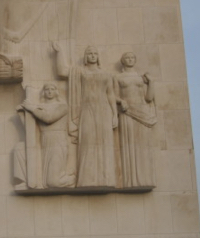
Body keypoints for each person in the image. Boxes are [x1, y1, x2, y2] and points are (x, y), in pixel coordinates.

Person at [54, 44, 118, 187]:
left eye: (95, 53)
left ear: (98, 56)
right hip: (87, 111)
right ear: (85, 57)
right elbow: (62, 71)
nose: (92, 55)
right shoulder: (80, 72)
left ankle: (106, 179)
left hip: (104, 111)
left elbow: (111, 94)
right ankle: (87, 180)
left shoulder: (106, 75)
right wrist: (59, 52)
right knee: (87, 144)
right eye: (89, 53)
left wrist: (115, 115)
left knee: (104, 144)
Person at [17, 83, 74, 189]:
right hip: (44, 140)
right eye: (47, 89)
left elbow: (49, 118)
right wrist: (21, 113)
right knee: (46, 182)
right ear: (43, 92)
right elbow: (31, 129)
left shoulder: (62, 106)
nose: (49, 91)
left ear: (56, 92)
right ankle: (64, 176)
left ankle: (73, 177)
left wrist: (31, 108)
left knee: (53, 183)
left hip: (58, 141)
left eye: (52, 89)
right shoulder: (39, 108)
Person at [114, 52, 157, 189]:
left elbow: (149, 98)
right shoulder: (118, 77)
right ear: (122, 61)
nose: (130, 59)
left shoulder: (141, 78)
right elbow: (112, 95)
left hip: (142, 111)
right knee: (129, 145)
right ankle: (131, 181)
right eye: (127, 57)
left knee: (143, 146)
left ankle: (145, 179)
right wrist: (121, 101)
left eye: (132, 57)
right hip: (127, 112)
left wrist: (151, 82)